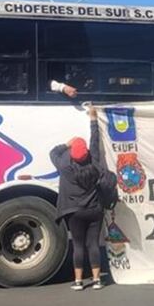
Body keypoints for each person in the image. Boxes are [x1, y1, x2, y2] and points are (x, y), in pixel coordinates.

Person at [51, 103, 106, 291]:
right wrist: (93, 119)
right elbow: (95, 142)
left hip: (73, 212)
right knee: (93, 245)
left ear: (72, 155)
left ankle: (78, 281)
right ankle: (98, 280)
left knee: (78, 245)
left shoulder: (64, 166)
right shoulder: (95, 164)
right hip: (94, 210)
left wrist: (67, 144)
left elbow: (54, 152)